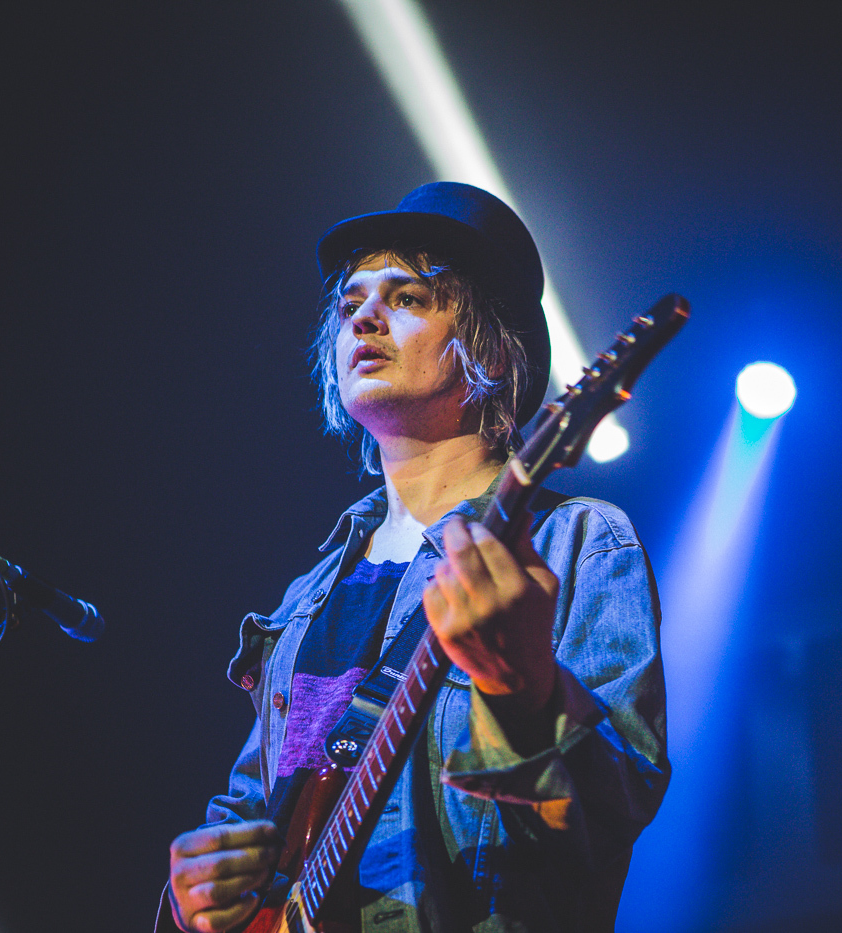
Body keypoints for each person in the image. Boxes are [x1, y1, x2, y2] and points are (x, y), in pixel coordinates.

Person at [156, 182, 669, 933]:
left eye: (407, 297)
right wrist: (195, 895)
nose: (363, 317)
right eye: (349, 304)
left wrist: (526, 692)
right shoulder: (304, 599)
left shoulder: (577, 543)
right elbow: (252, 821)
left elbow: (615, 806)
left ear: (491, 346)